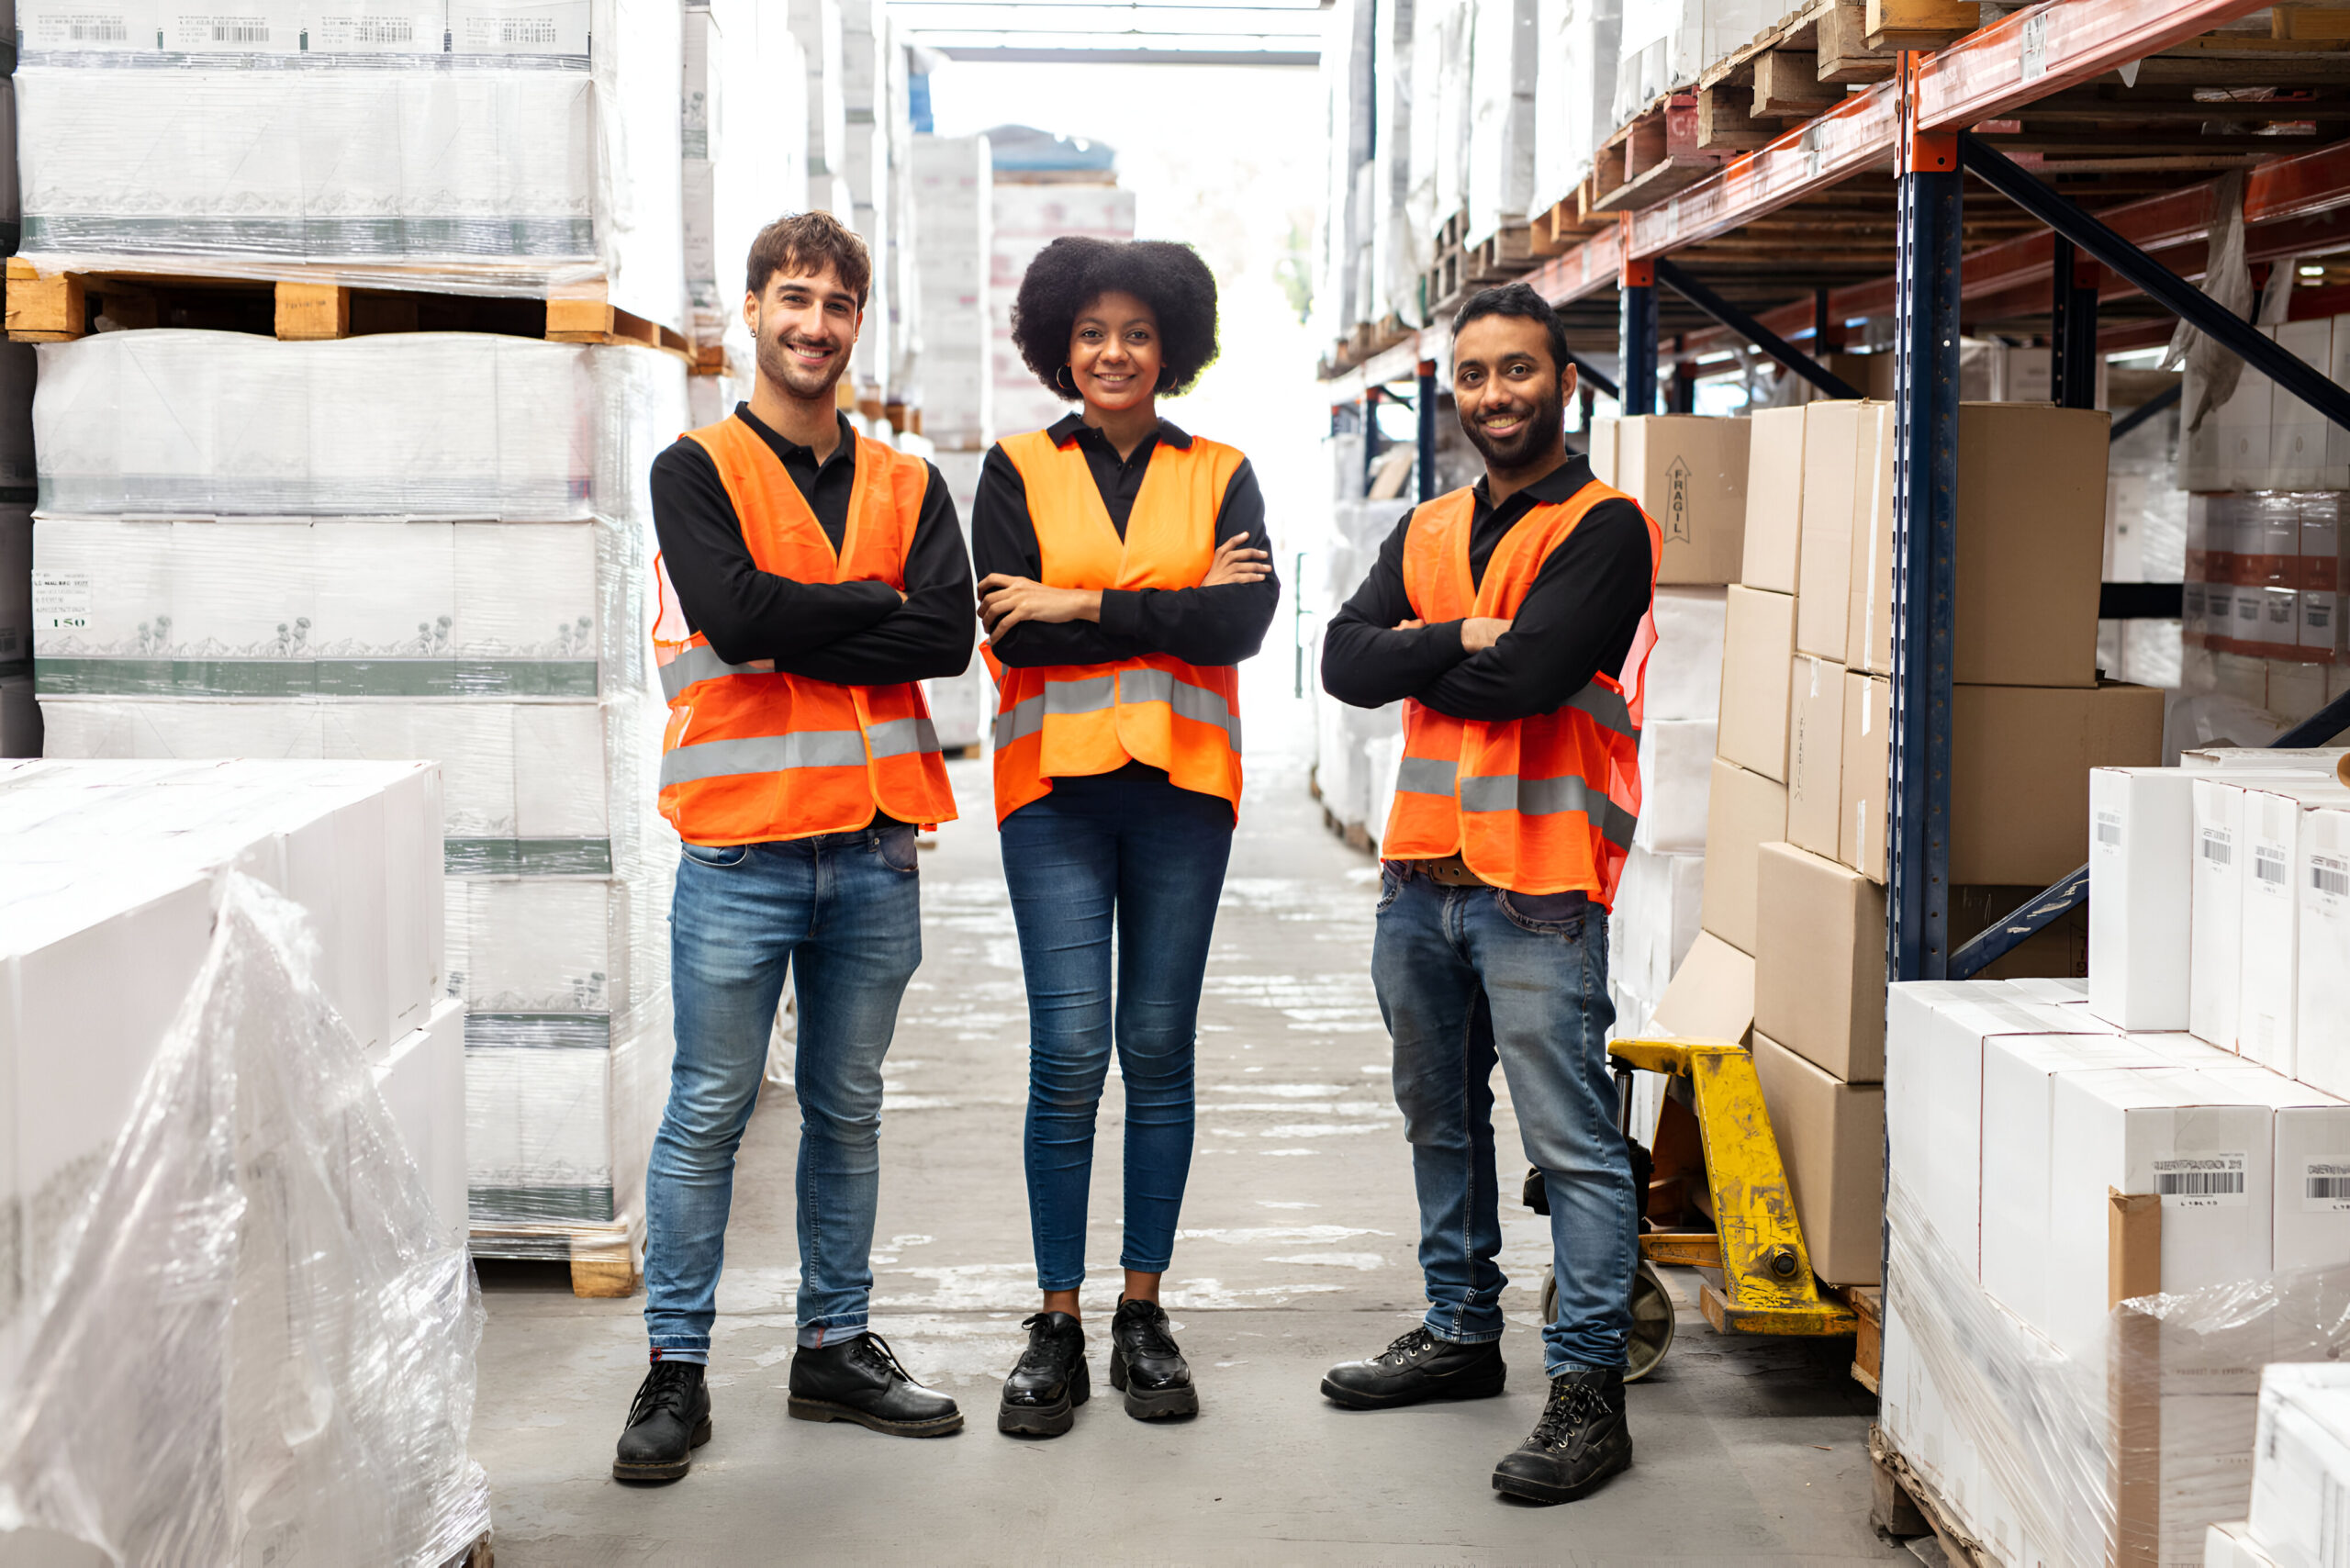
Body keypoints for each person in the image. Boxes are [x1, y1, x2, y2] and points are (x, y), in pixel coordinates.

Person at [615, 212, 976, 1483]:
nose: (814, 323)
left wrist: (805, 624)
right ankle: (675, 1370)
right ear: (752, 314)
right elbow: (728, 611)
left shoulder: (910, 483)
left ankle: (834, 1344)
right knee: (707, 1110)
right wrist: (870, 604)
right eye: (793, 298)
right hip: (743, 849)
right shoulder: (694, 468)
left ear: (855, 324)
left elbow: (942, 639)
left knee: (849, 1109)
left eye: (835, 303)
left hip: (875, 848)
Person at [1316, 282, 1661, 1506]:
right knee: (1438, 1118)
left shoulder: (1606, 526)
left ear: (1565, 382)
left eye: (1519, 370)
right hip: (1419, 877)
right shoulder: (1424, 529)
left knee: (1570, 1143)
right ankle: (1461, 1333)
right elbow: (1341, 661)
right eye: (1474, 375)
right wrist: (1460, 637)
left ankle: (1586, 1395)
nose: (1495, 395)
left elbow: (1530, 678)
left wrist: (1442, 648)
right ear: (1450, 389)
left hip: (1540, 886)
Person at [969, 237, 1277, 1439]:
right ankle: (1056, 1318)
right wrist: (1168, 612)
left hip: (1183, 790)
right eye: (1092, 332)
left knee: (1156, 1047)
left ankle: (1142, 1310)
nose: (1113, 353)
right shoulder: (1014, 469)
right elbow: (1010, 631)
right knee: (1066, 1051)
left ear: (1172, 347)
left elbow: (1241, 624)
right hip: (1051, 792)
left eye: (1137, 333)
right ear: (1062, 344)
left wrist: (1084, 601)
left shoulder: (1224, 471)